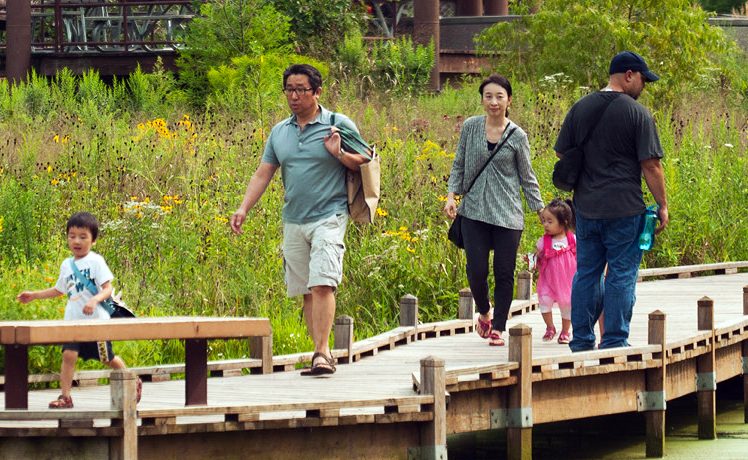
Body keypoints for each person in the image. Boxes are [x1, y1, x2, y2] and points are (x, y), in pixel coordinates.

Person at [230, 64, 369, 375]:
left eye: (301, 90)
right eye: (289, 90)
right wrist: (243, 208)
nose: (293, 96)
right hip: (294, 219)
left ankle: (322, 353)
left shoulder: (337, 124)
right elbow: (264, 172)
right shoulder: (280, 132)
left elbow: (366, 159)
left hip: (330, 215)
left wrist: (340, 154)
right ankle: (319, 350)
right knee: (307, 289)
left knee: (322, 282)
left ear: (317, 92)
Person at [554, 51, 669, 351]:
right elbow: (651, 165)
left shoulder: (580, 108)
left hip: (587, 210)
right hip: (625, 209)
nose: (643, 87)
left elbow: (562, 153)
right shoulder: (636, 113)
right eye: (643, 80)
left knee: (587, 273)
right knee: (621, 274)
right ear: (628, 75)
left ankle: (581, 341)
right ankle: (615, 341)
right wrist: (663, 205)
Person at [444, 74, 544, 346]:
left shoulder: (517, 135)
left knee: (503, 271)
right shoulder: (470, 127)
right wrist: (451, 196)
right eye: (488, 96)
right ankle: (485, 311)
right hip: (474, 211)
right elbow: (459, 164)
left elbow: (527, 176)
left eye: (499, 96)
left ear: (509, 100)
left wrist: (540, 210)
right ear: (482, 100)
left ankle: (499, 326)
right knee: (475, 270)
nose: (494, 102)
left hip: (507, 214)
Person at [16, 212, 142, 408]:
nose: (77, 241)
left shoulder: (96, 261)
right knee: (68, 355)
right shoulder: (67, 265)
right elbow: (59, 290)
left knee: (106, 357)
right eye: (72, 235)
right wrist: (34, 295)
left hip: (96, 321)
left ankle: (132, 379)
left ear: (93, 239)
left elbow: (107, 288)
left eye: (83, 236)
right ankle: (65, 397)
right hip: (73, 321)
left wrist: (94, 299)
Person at [534, 198, 577, 344]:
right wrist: (534, 260)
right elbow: (537, 256)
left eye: (550, 221)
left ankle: (565, 331)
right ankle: (550, 327)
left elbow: (580, 257)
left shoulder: (572, 240)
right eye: (544, 220)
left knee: (567, 305)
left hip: (567, 281)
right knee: (544, 302)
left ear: (564, 222)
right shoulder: (544, 241)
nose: (545, 224)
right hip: (548, 280)